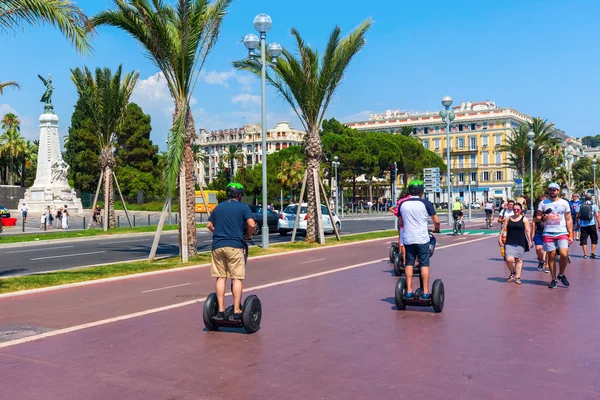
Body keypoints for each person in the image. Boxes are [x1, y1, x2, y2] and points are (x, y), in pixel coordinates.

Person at [206, 182, 255, 321]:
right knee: (236, 278)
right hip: (234, 246)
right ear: (239, 195)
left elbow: (209, 225)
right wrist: (249, 235)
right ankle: (236, 310)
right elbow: (251, 224)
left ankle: (220, 311)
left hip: (218, 246)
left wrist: (218, 233)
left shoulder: (219, 206)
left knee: (221, 277)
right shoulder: (243, 207)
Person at [397, 180, 441, 299]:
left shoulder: (403, 204)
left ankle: (409, 291)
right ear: (421, 191)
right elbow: (436, 221)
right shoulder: (426, 203)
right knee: (424, 264)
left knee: (409, 263)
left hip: (408, 238)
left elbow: (400, 222)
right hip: (422, 238)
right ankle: (426, 292)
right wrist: (436, 229)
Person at [536, 182, 574, 289]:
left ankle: (561, 274)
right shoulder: (543, 203)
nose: (552, 192)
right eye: (550, 190)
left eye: (554, 190)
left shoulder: (564, 203)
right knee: (551, 256)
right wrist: (543, 217)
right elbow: (537, 217)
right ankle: (553, 279)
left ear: (558, 191)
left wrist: (570, 234)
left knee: (564, 254)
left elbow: (568, 218)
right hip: (548, 232)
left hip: (562, 232)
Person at [499, 203, 532, 285]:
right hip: (509, 241)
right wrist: (500, 238)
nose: (516, 211)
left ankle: (518, 277)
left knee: (518, 260)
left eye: (518, 209)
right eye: (514, 209)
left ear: (521, 210)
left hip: (520, 241)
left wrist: (530, 240)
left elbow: (528, 231)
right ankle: (512, 272)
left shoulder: (524, 219)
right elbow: (504, 229)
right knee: (509, 259)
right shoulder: (508, 218)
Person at [389, 191, 410, 266]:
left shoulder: (399, 202)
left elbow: (390, 208)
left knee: (400, 238)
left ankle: (402, 255)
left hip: (400, 222)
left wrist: (396, 213)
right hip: (408, 222)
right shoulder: (408, 202)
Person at [577, 193, 599, 259]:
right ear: (591, 198)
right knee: (594, 238)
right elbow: (597, 216)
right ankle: (592, 253)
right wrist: (599, 223)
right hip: (592, 224)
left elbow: (577, 215)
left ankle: (585, 254)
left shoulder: (580, 205)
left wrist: (578, 223)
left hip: (583, 225)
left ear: (584, 198)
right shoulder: (594, 205)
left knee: (584, 239)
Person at [530, 195, 548, 272]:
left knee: (547, 249)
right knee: (538, 248)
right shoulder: (537, 211)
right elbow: (534, 222)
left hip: (548, 231)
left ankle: (547, 265)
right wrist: (532, 233)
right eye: (541, 201)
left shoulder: (549, 211)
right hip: (539, 232)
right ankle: (541, 261)